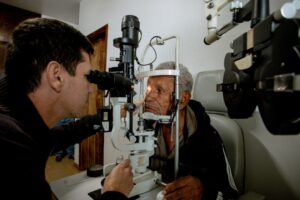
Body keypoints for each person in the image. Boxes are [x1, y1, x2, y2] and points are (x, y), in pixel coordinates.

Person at [0, 18, 133, 200]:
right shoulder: (10, 151)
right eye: (88, 77)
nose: (91, 87)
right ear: (57, 76)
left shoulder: (19, 121)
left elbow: (61, 135)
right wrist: (115, 193)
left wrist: (111, 116)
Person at [145, 61, 238, 200]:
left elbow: (230, 192)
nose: (148, 97)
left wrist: (204, 189)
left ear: (182, 99)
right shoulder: (146, 129)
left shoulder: (208, 138)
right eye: (148, 89)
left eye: (159, 90)